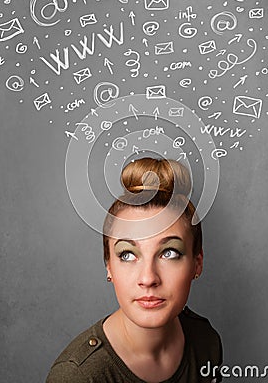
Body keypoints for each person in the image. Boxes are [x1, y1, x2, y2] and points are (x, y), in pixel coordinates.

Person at [46, 158, 223, 382]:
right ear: (109, 265)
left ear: (197, 263)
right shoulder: (78, 376)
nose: (148, 278)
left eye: (169, 253)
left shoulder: (206, 343)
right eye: (127, 255)